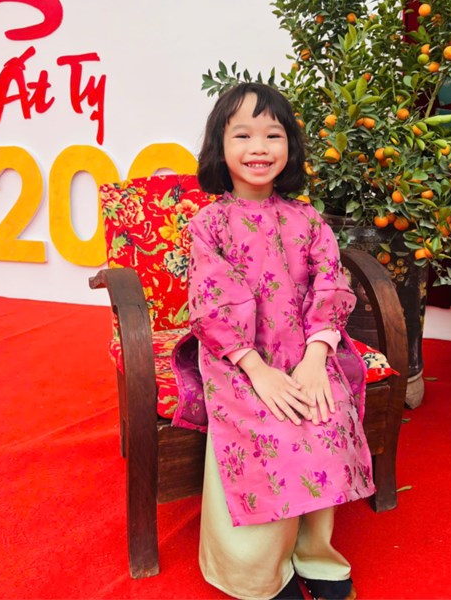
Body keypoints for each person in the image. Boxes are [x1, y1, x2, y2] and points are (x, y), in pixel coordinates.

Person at [171, 83, 374, 600]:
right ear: (220, 146)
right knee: (269, 428)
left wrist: (316, 358)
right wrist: (258, 371)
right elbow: (212, 304)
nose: (258, 147)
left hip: (306, 350)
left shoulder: (307, 219)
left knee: (325, 415)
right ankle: (258, 572)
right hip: (239, 360)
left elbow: (331, 285)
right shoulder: (209, 224)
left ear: (290, 147)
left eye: (273, 134)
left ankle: (316, 556)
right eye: (242, 135)